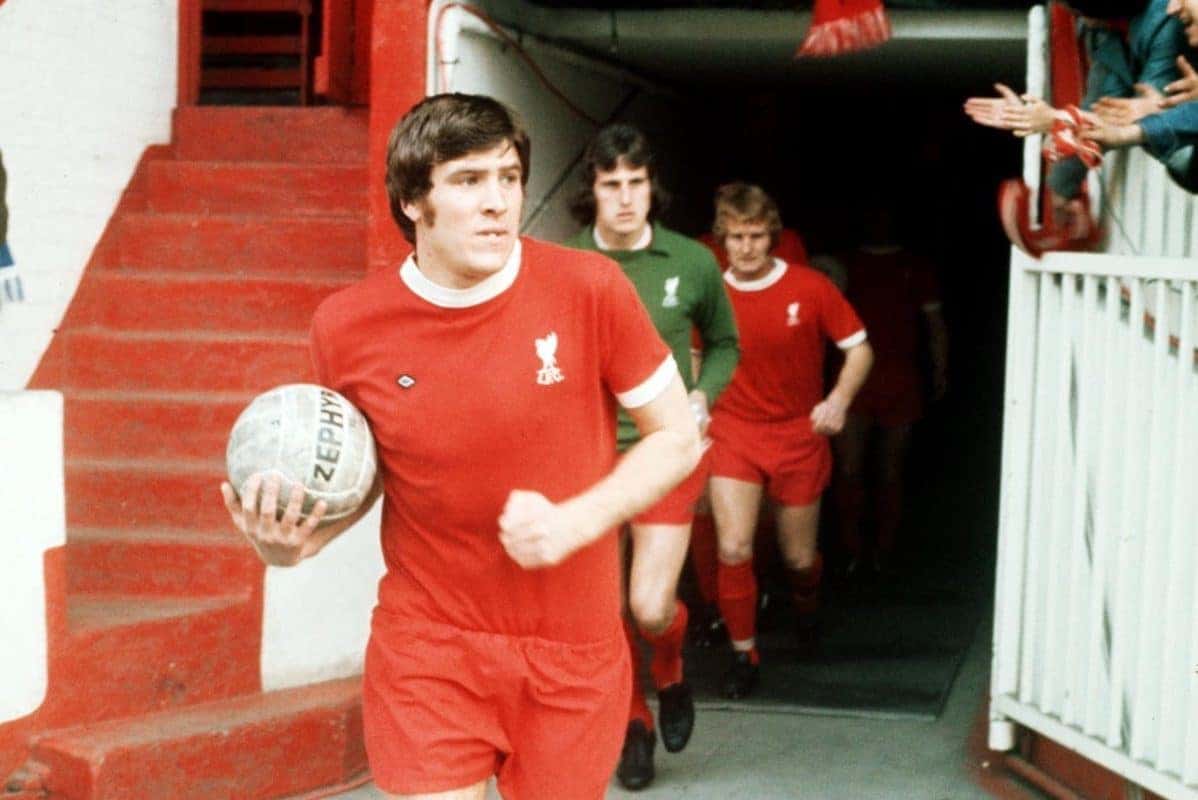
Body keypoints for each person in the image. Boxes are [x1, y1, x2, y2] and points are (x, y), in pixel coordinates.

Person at [219, 94, 701, 800]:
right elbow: (370, 472)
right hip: (431, 643)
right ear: (414, 200)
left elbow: (678, 437)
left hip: (572, 648)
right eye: (469, 181)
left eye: (507, 178)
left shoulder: (589, 288)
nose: (497, 202)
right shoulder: (346, 326)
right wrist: (288, 546)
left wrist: (577, 521)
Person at [566, 123, 739, 791]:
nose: (626, 198)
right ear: (593, 192)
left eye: (636, 183)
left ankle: (670, 671)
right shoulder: (568, 264)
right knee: (601, 613)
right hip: (588, 460)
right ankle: (632, 724)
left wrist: (702, 396)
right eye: (611, 185)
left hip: (665, 452)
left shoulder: (691, 262)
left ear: (651, 186)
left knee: (649, 608)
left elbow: (725, 342)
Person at [706, 183, 872, 700]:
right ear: (723, 239)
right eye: (736, 237)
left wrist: (838, 400)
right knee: (734, 547)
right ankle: (744, 653)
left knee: (798, 559)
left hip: (799, 434)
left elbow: (859, 349)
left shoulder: (810, 286)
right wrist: (693, 404)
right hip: (733, 431)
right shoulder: (710, 292)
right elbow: (694, 358)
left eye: (756, 235)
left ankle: (806, 606)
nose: (747, 247)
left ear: (772, 236)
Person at [829, 203, 948, 578]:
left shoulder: (916, 265)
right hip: (851, 384)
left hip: (900, 380)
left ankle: (885, 552)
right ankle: (850, 550)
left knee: (890, 471)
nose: (879, 219)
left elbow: (935, 325)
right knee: (849, 470)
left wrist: (941, 371)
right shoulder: (841, 264)